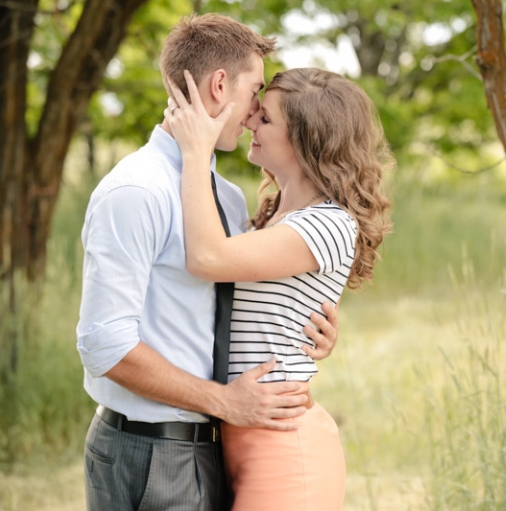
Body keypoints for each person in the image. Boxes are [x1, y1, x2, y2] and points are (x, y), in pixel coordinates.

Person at [76, 14, 340, 511]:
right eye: (255, 90)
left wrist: (310, 325)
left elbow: (240, 290)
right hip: (152, 449)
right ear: (220, 85)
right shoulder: (137, 190)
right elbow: (103, 343)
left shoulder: (226, 196)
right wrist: (224, 402)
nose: (256, 109)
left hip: (214, 444)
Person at [165, 66, 393, 510]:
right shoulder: (269, 217)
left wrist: (196, 153)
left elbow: (208, 259)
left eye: (265, 119)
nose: (249, 120)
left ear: (308, 141)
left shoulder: (327, 223)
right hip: (240, 435)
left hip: (284, 448)